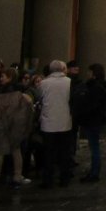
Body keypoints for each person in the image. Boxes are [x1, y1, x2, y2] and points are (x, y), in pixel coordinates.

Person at [35, 59, 75, 187]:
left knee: (49, 153)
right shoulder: (69, 82)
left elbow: (39, 97)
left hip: (48, 122)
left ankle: (48, 179)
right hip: (65, 121)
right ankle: (64, 178)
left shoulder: (44, 83)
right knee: (64, 152)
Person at [73, 63, 106, 182]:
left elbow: (93, 105)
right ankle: (94, 171)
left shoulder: (96, 87)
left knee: (94, 147)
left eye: (89, 72)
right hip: (94, 120)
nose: (87, 74)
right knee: (94, 147)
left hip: (92, 121)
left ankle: (94, 172)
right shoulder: (99, 86)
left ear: (94, 74)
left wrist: (84, 113)